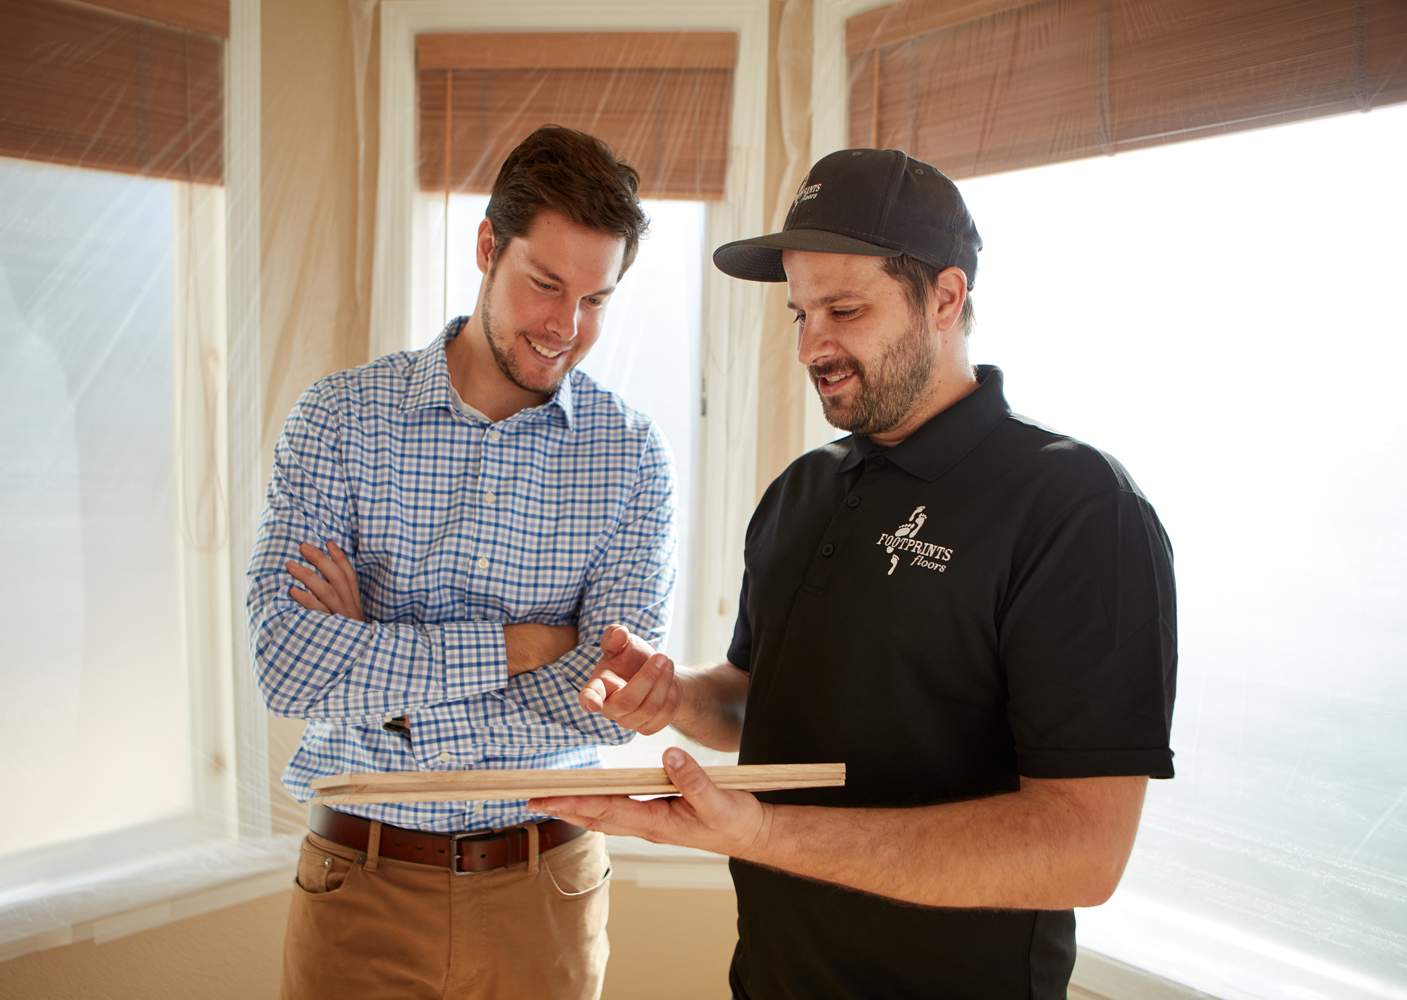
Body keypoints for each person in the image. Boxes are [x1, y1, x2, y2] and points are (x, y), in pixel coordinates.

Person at [533, 148, 1178, 999]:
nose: (812, 345)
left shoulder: (1076, 507)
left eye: (845, 308)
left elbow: (1081, 851)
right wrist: (679, 696)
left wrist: (759, 833)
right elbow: (762, 695)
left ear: (945, 299)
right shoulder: (802, 491)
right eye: (800, 312)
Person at [246, 125, 676, 1000]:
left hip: (545, 890)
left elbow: (601, 709)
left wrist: (380, 662)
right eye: (544, 285)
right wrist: (524, 645)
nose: (565, 327)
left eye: (596, 299)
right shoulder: (339, 419)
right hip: (358, 882)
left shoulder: (632, 457)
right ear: (487, 247)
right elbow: (288, 667)